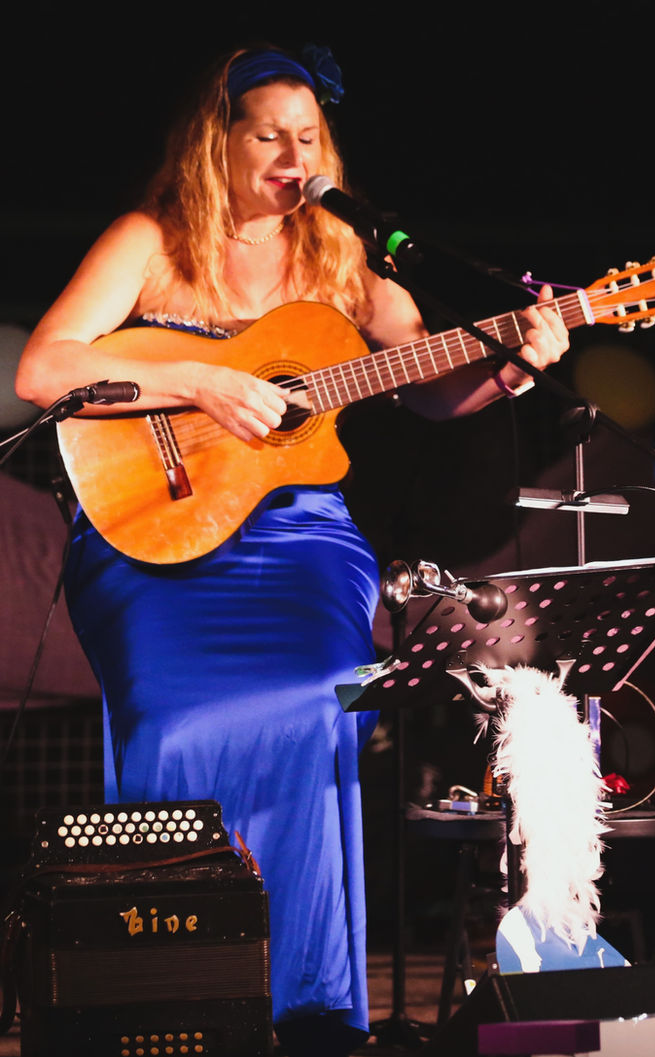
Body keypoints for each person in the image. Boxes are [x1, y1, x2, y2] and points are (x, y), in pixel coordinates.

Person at [14, 46, 568, 1057]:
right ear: (214, 141)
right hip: (151, 540)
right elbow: (48, 366)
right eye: (268, 134)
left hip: (298, 536)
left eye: (307, 138)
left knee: (324, 701)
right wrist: (201, 380)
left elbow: (432, 383)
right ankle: (165, 999)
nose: (291, 155)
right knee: (173, 719)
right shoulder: (151, 238)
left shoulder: (342, 254)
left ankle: (307, 1010)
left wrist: (519, 365)